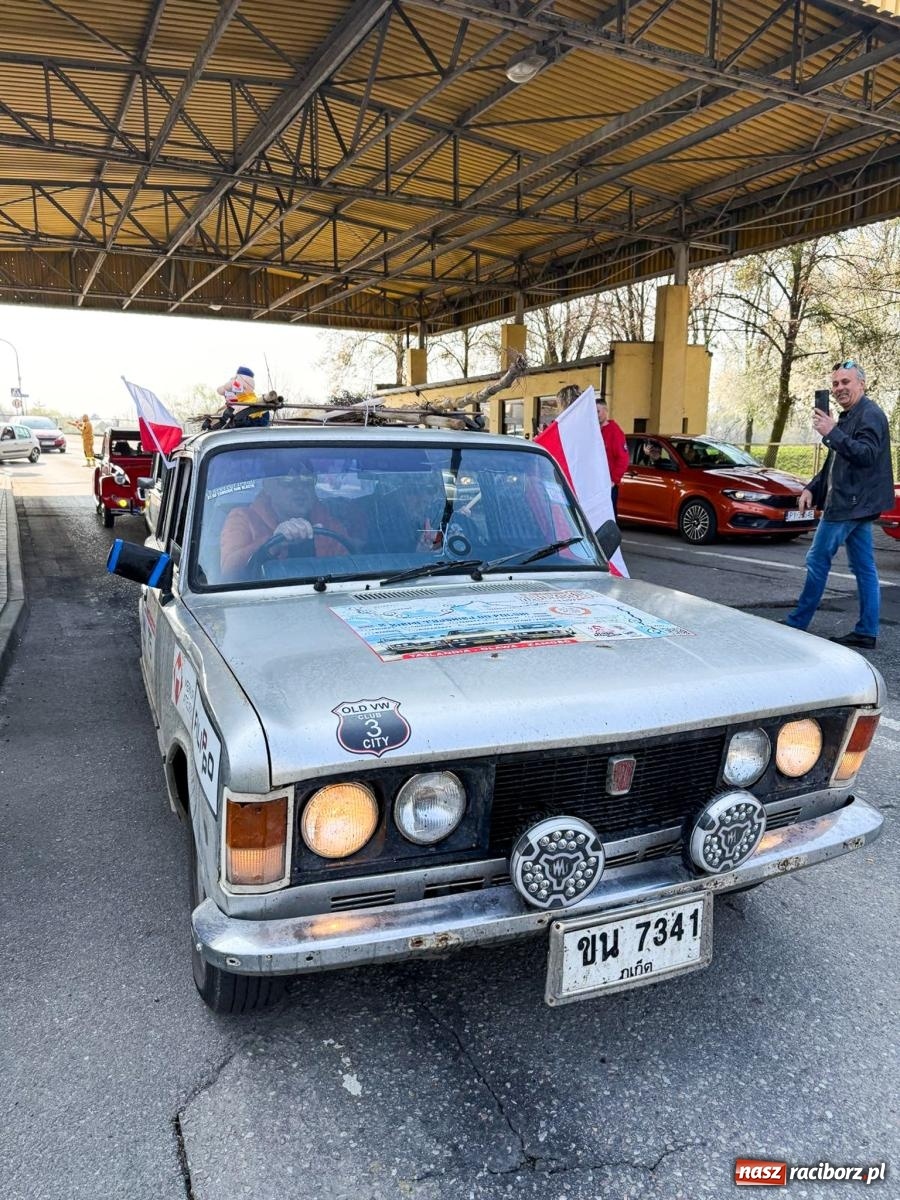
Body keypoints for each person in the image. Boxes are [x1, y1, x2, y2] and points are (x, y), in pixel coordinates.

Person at [784, 360, 894, 648]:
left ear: (862, 383)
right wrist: (812, 488)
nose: (839, 388)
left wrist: (832, 432)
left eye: (845, 382)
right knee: (864, 567)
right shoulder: (847, 417)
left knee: (816, 559)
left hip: (849, 504)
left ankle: (797, 623)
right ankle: (867, 631)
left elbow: (866, 455)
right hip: (856, 503)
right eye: (835, 384)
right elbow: (836, 463)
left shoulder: (869, 415)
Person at [219, 464, 353, 580]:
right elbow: (229, 574)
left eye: (307, 479)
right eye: (287, 480)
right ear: (268, 487)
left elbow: (352, 566)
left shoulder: (327, 522)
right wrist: (273, 544)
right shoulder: (243, 517)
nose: (300, 488)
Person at [596, 399, 628, 517]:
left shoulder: (615, 432)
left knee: (608, 518)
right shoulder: (595, 430)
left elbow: (623, 459)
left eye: (598, 411)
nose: (596, 415)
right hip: (596, 484)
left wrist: (613, 480)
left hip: (608, 485)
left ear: (605, 411)